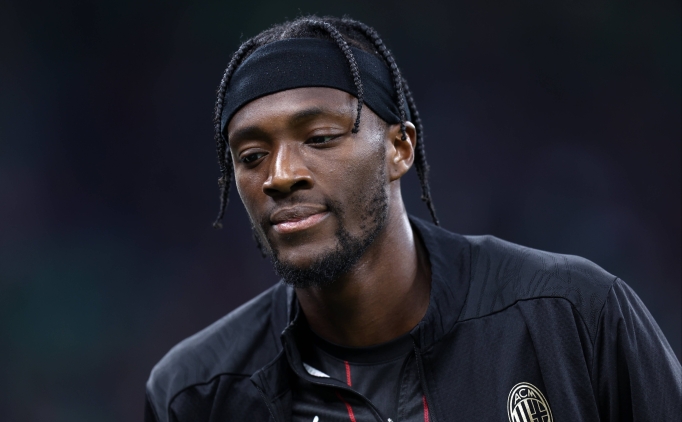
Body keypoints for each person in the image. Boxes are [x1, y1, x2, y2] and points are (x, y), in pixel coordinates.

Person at [144, 16, 681, 422]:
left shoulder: (571, 316)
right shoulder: (195, 394)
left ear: (399, 149)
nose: (279, 175)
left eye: (320, 138)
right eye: (252, 156)